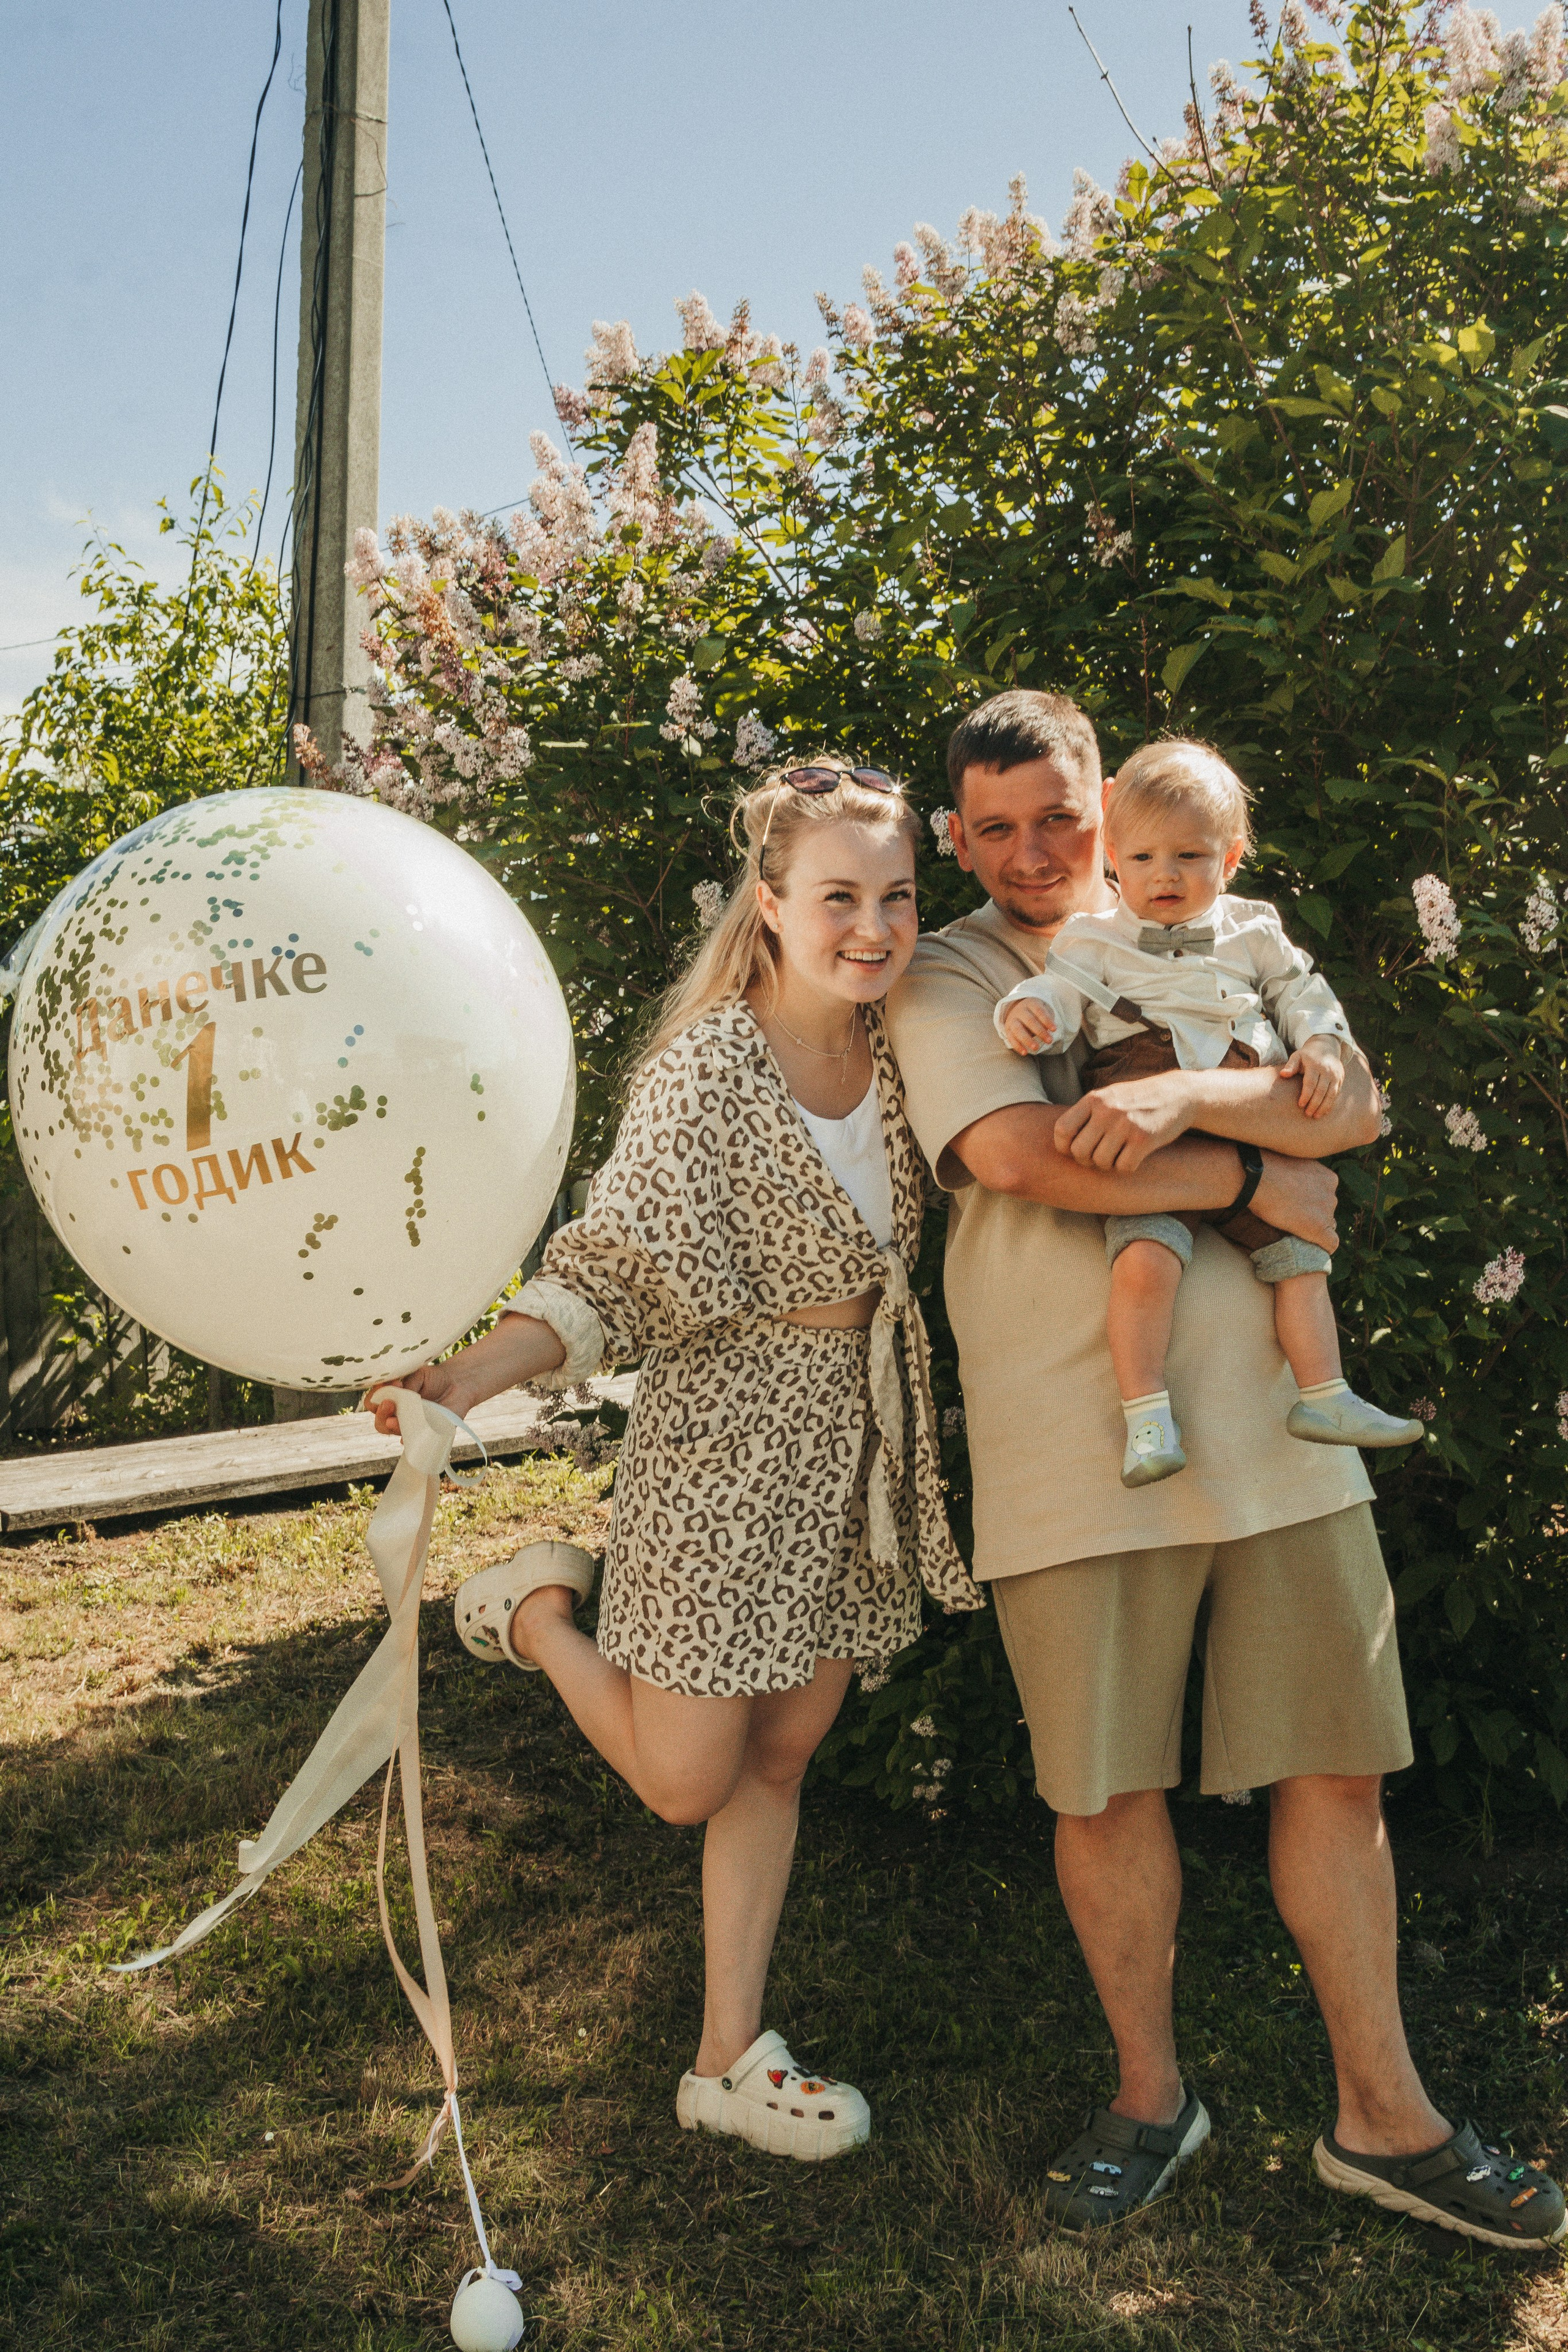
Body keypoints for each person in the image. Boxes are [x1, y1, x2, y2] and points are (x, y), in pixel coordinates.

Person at [883, 689, 1565, 2250]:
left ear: (1104, 799)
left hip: (1277, 1424)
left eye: (1058, 814)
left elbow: (1363, 1104)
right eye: (993, 828)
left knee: (1336, 1764)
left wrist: (1193, 1096)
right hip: (1075, 1439)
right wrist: (1270, 1159)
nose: (1034, 851)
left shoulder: (1212, 917)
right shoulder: (947, 971)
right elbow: (1024, 1157)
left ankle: (1381, 2118)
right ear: (958, 836)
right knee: (1101, 1780)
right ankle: (1147, 2097)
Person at [369, 760, 981, 2166]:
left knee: (781, 1751)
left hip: (854, 1443)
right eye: (838, 898)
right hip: (722, 1446)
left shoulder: (901, 1045)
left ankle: (727, 2055)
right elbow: (612, 1268)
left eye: (894, 896)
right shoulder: (708, 1066)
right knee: (683, 1777)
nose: (873, 926)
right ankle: (535, 1609)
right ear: (769, 905)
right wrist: (464, 1375)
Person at [993, 737, 1422, 1488]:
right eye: (1145, 858)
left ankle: (1324, 1395)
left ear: (1228, 860)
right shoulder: (1093, 937)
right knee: (1145, 1258)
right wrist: (1028, 1010)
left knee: (1299, 1257)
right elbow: (1059, 996)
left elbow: (1302, 994)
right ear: (1114, 858)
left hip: (1242, 1089)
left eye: (1188, 857)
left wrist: (1320, 1042)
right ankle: (1146, 1416)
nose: (1164, 875)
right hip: (1139, 1086)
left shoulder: (1253, 930)